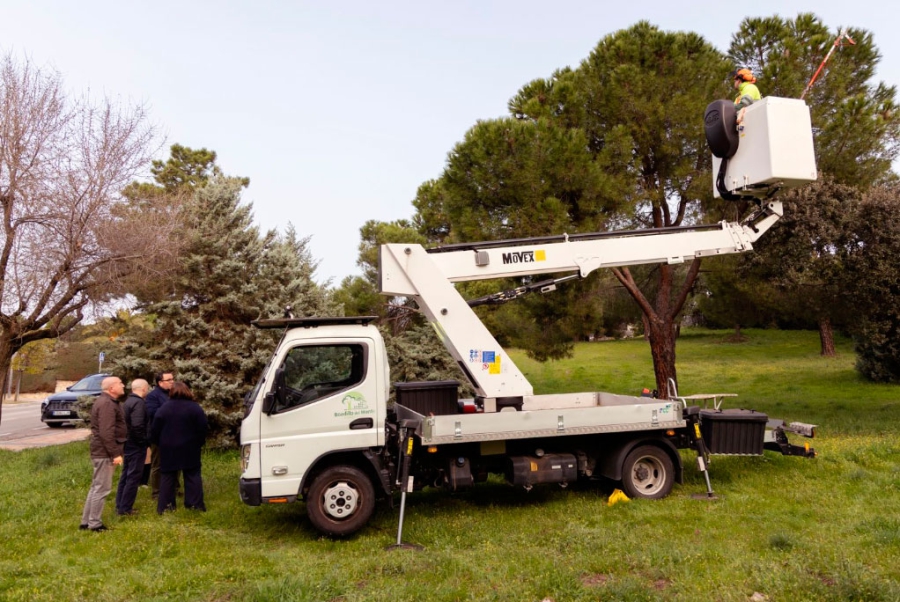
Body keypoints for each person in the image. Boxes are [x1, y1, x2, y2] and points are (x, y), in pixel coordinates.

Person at [150, 381, 208, 514]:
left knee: (167, 477)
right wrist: (199, 442)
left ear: (171, 392)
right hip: (190, 447)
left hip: (168, 448)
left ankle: (166, 507)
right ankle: (195, 505)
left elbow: (155, 429)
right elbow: (203, 427)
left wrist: (159, 443)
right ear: (188, 391)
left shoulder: (164, 408)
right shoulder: (195, 408)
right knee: (192, 475)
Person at [80, 376, 126, 532]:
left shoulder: (108, 402)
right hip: (105, 452)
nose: (123, 385)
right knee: (102, 488)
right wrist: (115, 454)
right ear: (111, 388)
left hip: (103, 451)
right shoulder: (107, 404)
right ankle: (95, 524)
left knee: (96, 487)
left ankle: (86, 522)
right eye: (120, 383)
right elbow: (106, 433)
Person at [115, 379, 150, 516]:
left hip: (128, 443)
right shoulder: (139, 403)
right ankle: (125, 509)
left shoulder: (128, 402)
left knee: (125, 475)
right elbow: (137, 425)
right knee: (133, 477)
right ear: (143, 388)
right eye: (147, 388)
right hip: (136, 445)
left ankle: (120, 505)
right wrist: (144, 442)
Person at [144, 370, 179, 499]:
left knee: (176, 462)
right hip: (159, 436)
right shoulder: (153, 396)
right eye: (168, 380)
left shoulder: (175, 394)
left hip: (175, 434)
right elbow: (153, 413)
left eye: (172, 379)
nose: (172, 382)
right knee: (158, 464)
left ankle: (175, 488)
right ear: (160, 382)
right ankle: (157, 492)